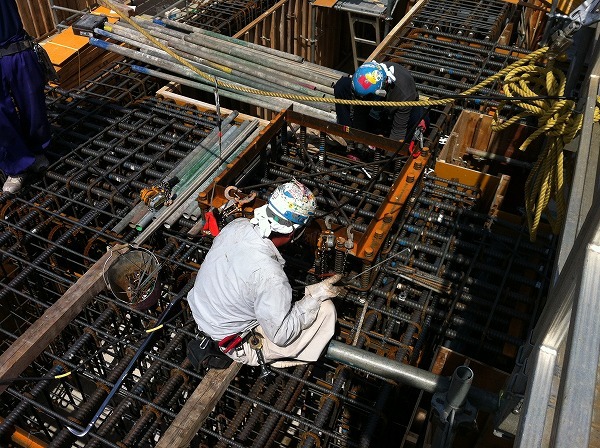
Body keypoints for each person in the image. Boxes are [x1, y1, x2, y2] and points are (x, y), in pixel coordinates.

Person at [187, 180, 343, 369]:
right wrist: (313, 298)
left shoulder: (238, 225)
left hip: (203, 314)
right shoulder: (271, 277)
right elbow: (282, 335)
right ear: (294, 232)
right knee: (326, 310)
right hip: (233, 342)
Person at [1, 0, 51, 194]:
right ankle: (17, 167)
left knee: (32, 103)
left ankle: (38, 150)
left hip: (16, 48)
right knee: (1, 118)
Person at [334, 60, 424, 142]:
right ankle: (346, 137)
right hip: (375, 113)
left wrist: (387, 153)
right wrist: (360, 137)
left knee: (418, 114)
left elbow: (398, 132)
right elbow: (359, 111)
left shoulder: (404, 94)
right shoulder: (366, 76)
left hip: (393, 120)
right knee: (342, 85)